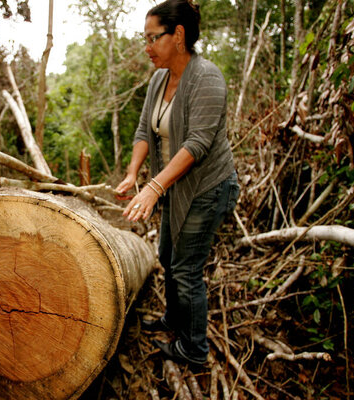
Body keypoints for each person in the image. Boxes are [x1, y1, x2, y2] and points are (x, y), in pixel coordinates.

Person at [116, 0, 239, 369]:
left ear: (179, 35)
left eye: (154, 38)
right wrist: (133, 173)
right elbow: (144, 131)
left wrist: (153, 187)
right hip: (173, 184)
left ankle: (193, 348)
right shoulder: (158, 78)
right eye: (145, 39)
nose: (147, 47)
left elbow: (197, 145)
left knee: (186, 267)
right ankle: (174, 319)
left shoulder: (207, 78)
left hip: (207, 187)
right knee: (168, 256)